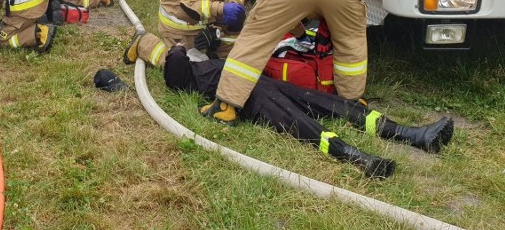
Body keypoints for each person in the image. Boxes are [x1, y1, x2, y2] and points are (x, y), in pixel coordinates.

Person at [162, 45, 454, 179]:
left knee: (329, 104)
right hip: (251, 96)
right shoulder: (190, 79)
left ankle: (409, 134)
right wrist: (175, 49)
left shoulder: (205, 64)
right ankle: (359, 158)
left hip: (264, 83)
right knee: (299, 122)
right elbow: (174, 65)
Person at [200, 0, 369, 124]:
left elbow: (286, 17)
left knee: (256, 37)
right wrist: (303, 36)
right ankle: (353, 104)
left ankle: (225, 107)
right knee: (351, 44)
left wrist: (299, 33)